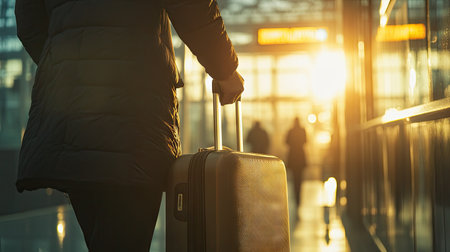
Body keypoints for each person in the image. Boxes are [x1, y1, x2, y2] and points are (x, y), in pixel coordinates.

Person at [15, 0, 244, 250]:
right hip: (135, 119)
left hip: (73, 123)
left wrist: (72, 69)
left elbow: (29, 23)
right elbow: (192, 7)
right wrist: (225, 70)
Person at [285, 117, 308, 214]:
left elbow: (286, 142)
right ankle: (299, 199)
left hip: (292, 157)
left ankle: (296, 199)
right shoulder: (303, 130)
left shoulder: (290, 131)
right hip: (300, 157)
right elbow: (306, 141)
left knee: (294, 179)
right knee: (300, 179)